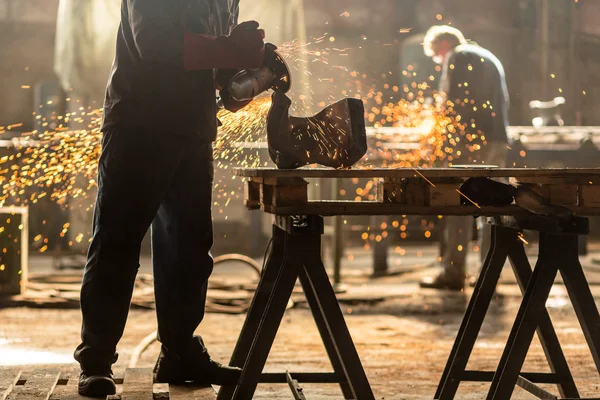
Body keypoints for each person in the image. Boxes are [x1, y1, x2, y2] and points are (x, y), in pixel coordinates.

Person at [73, 0, 266, 397]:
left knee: (189, 248)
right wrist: (229, 51)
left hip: (194, 130)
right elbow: (155, 43)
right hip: (140, 124)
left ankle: (178, 351)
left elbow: (216, 74)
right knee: (118, 244)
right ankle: (95, 360)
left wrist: (246, 72)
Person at [419, 25, 510, 291]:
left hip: (470, 143)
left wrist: (438, 137)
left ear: (444, 44)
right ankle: (490, 272)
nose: (439, 61)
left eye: (437, 55)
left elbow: (451, 104)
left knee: (458, 203)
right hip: (494, 141)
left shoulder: (458, 56)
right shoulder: (488, 56)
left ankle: (453, 272)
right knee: (491, 205)